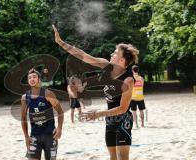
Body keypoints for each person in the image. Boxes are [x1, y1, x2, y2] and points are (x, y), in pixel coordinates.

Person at [53, 25, 138, 160]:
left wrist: (98, 114)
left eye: (115, 53)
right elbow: (84, 56)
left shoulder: (128, 80)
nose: (111, 54)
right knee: (112, 158)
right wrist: (61, 42)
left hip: (123, 120)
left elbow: (122, 109)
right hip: (110, 120)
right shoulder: (106, 66)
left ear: (122, 60)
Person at [21, 68, 64, 160]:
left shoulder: (48, 94)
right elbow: (23, 118)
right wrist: (26, 136)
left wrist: (59, 128)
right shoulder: (25, 97)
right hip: (34, 136)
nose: (32, 79)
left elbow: (60, 111)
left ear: (39, 80)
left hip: (50, 136)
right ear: (28, 81)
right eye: (29, 78)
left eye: (34, 77)